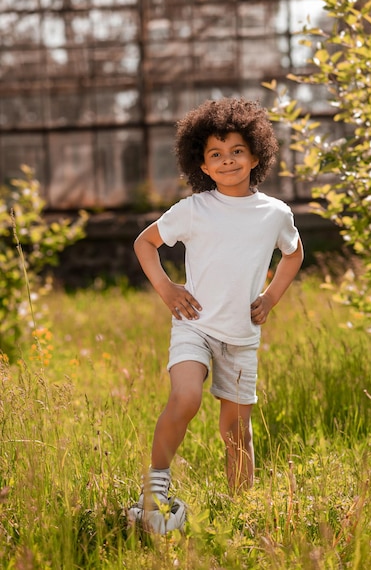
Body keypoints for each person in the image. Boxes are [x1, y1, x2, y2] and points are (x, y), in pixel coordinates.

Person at [128, 97, 303, 532]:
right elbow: (144, 243)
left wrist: (271, 297)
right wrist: (168, 288)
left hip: (241, 336)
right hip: (195, 327)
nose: (227, 161)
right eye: (216, 155)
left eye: (237, 151)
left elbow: (294, 254)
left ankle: (243, 514)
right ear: (202, 166)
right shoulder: (195, 209)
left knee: (236, 433)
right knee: (184, 398)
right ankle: (154, 493)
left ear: (256, 155)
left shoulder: (275, 213)